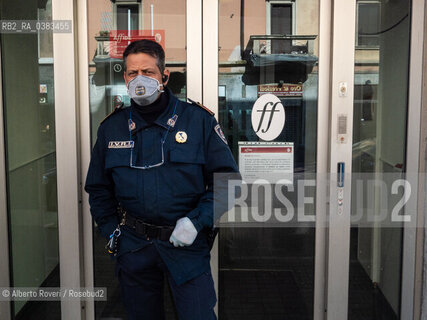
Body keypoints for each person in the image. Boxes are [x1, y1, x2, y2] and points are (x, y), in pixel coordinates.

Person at [85, 39, 239, 320]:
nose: (140, 79)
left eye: (148, 72)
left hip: (186, 248)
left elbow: (227, 182)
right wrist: (111, 233)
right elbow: (98, 189)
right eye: (133, 73)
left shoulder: (197, 121)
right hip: (134, 247)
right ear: (125, 77)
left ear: (164, 77)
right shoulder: (112, 128)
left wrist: (198, 221)